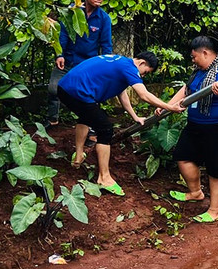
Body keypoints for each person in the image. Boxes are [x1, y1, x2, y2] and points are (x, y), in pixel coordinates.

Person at [57, 52, 181, 195]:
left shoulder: (121, 62)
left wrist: (134, 116)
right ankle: (104, 177)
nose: (142, 76)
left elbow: (122, 93)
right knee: (105, 129)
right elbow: (144, 94)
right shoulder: (129, 68)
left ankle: (78, 156)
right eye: (145, 72)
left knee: (87, 116)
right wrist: (169, 107)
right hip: (76, 91)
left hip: (65, 88)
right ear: (141, 63)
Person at [165, 36, 218, 223]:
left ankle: (215, 210)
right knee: (183, 156)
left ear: (205, 52)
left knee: (216, 168)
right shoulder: (199, 71)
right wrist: (166, 107)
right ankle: (195, 192)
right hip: (196, 124)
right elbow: (186, 90)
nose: (193, 60)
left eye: (194, 56)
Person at [48, 0, 113, 127]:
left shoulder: (104, 19)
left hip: (87, 64)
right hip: (67, 60)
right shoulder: (71, 12)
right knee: (53, 89)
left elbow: (106, 45)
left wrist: (105, 66)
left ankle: (91, 126)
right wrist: (59, 54)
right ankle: (52, 120)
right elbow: (62, 35)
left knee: (90, 96)